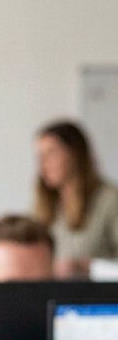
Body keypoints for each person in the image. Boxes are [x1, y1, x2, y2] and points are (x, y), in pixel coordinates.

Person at [34, 119, 118, 278]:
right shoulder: (45, 204)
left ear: (75, 153)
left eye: (51, 153)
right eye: (40, 155)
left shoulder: (110, 200)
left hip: (96, 297)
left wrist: (87, 266)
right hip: (51, 294)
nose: (43, 164)